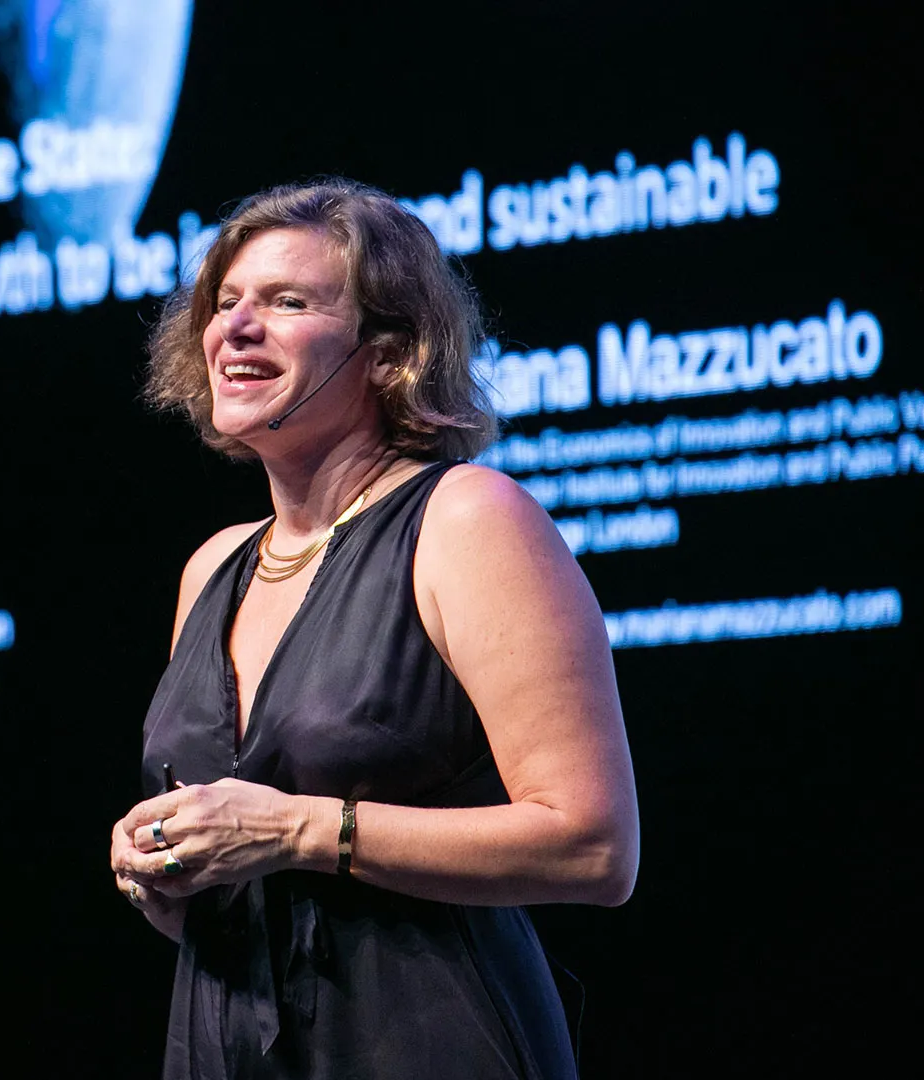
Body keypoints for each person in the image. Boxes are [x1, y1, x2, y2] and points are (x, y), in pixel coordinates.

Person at [110, 179, 639, 1079]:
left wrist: (296, 831)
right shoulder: (214, 567)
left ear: (389, 355)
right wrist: (168, 867)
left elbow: (594, 844)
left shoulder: (468, 521)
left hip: (428, 1040)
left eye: (287, 302)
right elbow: (245, 865)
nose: (235, 326)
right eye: (225, 301)